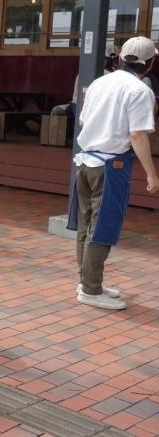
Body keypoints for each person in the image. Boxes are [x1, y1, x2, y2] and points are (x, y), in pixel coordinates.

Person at [69, 36, 158, 311]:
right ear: (150, 63)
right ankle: (91, 289)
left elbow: (84, 120)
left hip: (84, 162)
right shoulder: (140, 90)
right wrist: (152, 173)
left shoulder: (99, 82)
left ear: (121, 58)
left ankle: (88, 281)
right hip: (111, 166)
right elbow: (137, 134)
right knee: (103, 227)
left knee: (86, 226)